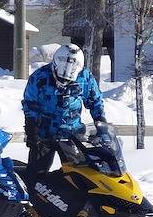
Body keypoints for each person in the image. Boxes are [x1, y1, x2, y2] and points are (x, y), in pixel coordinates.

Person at [21, 43, 108, 186]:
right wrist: (31, 130)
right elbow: (30, 104)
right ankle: (34, 203)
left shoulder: (85, 77)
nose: (63, 83)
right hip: (44, 135)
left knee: (79, 177)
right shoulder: (39, 77)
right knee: (35, 177)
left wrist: (102, 125)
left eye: (68, 81)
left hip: (72, 134)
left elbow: (95, 101)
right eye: (60, 79)